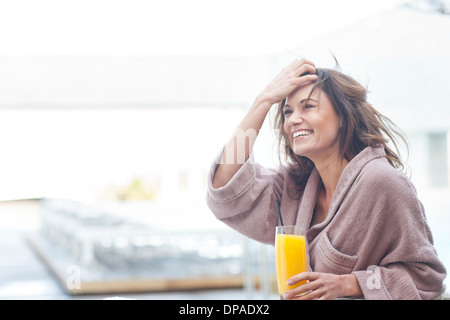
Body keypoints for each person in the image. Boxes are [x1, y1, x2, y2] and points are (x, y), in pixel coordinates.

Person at [206, 59, 447, 300]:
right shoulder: (293, 188)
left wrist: (352, 284)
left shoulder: (382, 183)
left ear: (343, 116)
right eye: (288, 112)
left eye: (308, 106)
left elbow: (426, 277)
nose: (292, 120)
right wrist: (264, 101)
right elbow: (225, 187)